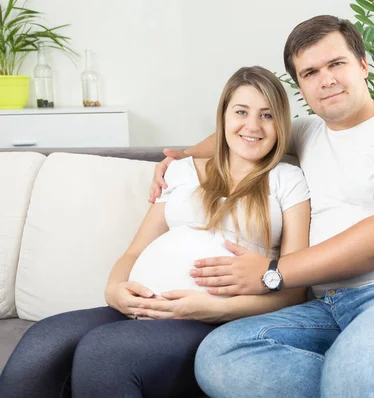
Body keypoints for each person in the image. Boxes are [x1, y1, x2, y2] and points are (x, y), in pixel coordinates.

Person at [150, 15, 374, 397]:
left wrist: (272, 273)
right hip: (327, 306)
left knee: (359, 377)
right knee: (222, 355)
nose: (326, 79)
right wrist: (179, 158)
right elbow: (240, 134)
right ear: (301, 86)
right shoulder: (305, 133)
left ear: (363, 64)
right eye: (310, 72)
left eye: (337, 64)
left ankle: (363, 380)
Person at [0, 66, 311, 398]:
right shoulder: (180, 171)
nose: (252, 125)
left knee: (106, 352)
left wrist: (214, 307)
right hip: (141, 308)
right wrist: (114, 290)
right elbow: (134, 251)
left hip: (213, 320)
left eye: (267, 115)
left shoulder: (287, 180)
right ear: (222, 118)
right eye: (241, 112)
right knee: (41, 344)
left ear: (281, 124)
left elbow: (293, 290)